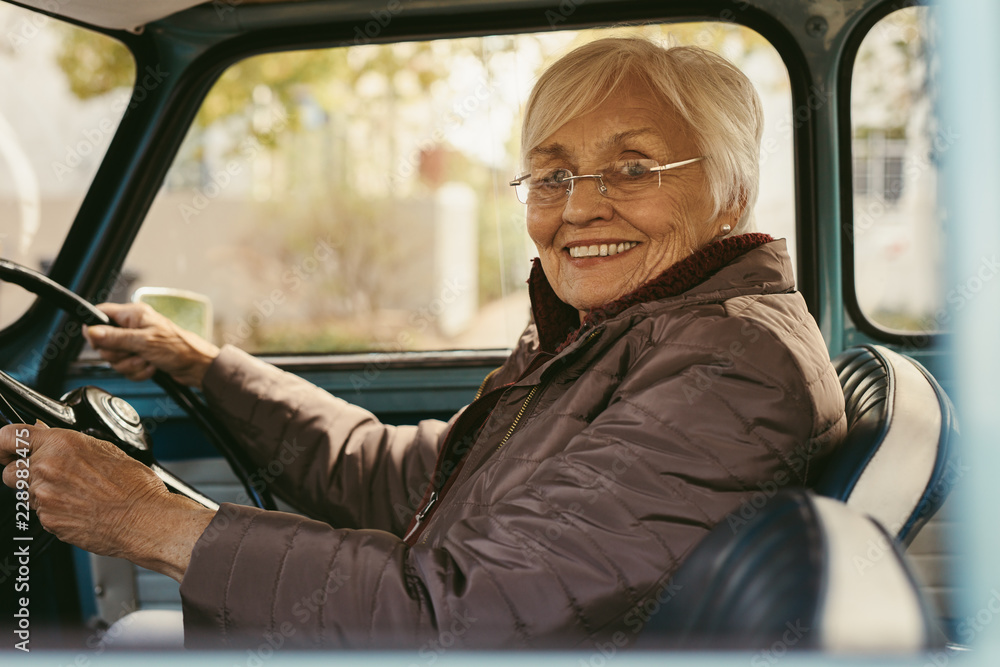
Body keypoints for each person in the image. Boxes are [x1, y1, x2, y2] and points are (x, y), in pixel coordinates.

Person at [0, 37, 846, 649]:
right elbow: (408, 479)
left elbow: (470, 615)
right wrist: (207, 366)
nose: (580, 207)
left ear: (731, 191)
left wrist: (155, 523)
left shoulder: (727, 369)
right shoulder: (612, 334)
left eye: (632, 169)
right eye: (551, 175)